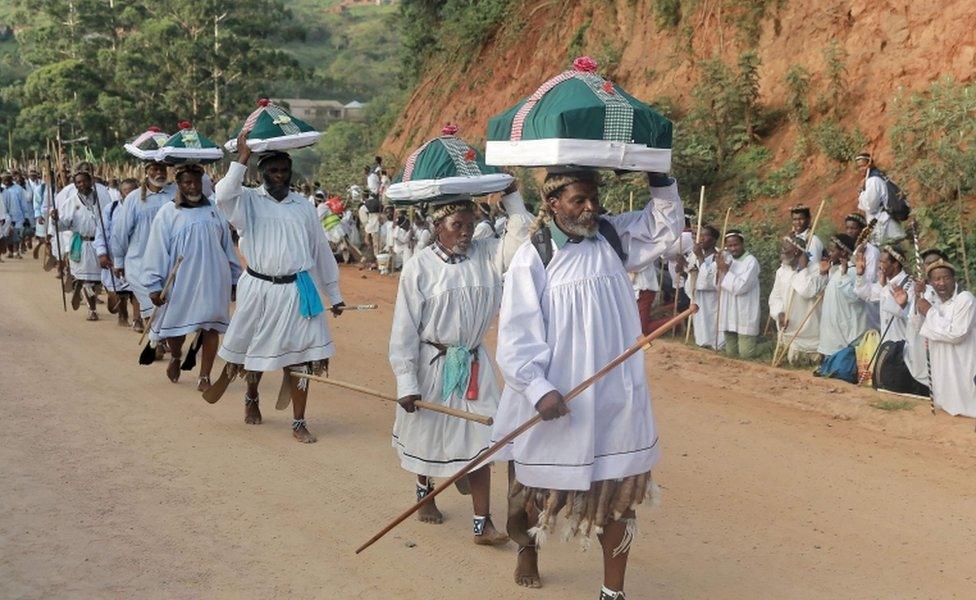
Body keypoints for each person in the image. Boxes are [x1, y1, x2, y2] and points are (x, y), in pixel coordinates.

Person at [492, 170, 682, 596]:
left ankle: (612, 591)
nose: (590, 208)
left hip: (616, 394)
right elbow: (517, 335)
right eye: (579, 200)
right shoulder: (533, 256)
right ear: (553, 204)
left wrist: (660, 179)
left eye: (593, 198)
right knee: (536, 490)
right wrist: (537, 389)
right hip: (559, 398)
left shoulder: (612, 237)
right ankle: (528, 547)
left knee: (618, 494)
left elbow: (665, 228)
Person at [389, 180, 528, 546]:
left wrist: (512, 196)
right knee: (429, 434)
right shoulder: (418, 268)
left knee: (483, 440)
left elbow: (522, 236)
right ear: (438, 226)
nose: (466, 232)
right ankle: (425, 493)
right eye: (457, 226)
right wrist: (407, 382)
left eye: (470, 224)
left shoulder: (489, 254)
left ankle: (482, 523)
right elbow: (404, 329)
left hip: (474, 363)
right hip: (432, 365)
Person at [213, 129, 346, 443]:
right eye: (273, 170)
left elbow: (320, 251)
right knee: (254, 352)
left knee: (303, 358)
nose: (279, 175)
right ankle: (252, 395)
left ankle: (299, 421)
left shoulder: (304, 206)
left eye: (284, 170)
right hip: (258, 289)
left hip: (299, 292)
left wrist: (334, 294)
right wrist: (242, 158)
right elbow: (222, 194)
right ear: (261, 172)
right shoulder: (246, 201)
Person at [143, 164, 241, 390]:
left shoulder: (215, 210)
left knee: (211, 326)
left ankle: (204, 376)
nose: (193, 186)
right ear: (178, 184)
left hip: (214, 279)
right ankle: (177, 355)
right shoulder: (168, 213)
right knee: (176, 327)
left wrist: (235, 279)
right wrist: (154, 285)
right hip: (181, 280)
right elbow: (156, 250)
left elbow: (227, 247)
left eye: (197, 182)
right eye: (187, 182)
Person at [111, 161, 175, 334]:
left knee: (169, 308)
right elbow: (121, 231)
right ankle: (157, 339)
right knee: (150, 304)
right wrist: (118, 260)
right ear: (147, 171)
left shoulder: (175, 193)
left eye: (162, 168)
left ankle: (160, 340)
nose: (159, 172)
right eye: (155, 169)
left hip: (169, 262)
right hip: (139, 263)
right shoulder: (133, 198)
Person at [855, 244, 928, 393]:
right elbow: (865, 294)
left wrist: (895, 298)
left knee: (900, 387)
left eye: (883, 262)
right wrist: (860, 274)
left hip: (903, 347)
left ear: (895, 264)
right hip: (888, 346)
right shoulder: (886, 285)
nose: (879, 265)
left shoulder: (909, 285)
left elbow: (909, 315)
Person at [915, 259, 976, 417]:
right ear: (930, 283)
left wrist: (929, 312)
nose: (942, 283)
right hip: (941, 368)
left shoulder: (965, 299)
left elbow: (957, 334)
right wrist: (917, 298)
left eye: (946, 278)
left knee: (967, 405)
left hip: (963, 366)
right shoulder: (932, 301)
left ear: (954, 279)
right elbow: (918, 327)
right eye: (937, 279)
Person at [50, 170, 112, 321]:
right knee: (88, 279)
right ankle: (92, 309)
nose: (82, 184)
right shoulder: (71, 202)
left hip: (101, 244)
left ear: (91, 181)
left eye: (84, 181)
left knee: (100, 279)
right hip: (82, 244)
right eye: (78, 182)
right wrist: (55, 219)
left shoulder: (103, 198)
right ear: (75, 185)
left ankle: (81, 286)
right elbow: (62, 226)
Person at [93, 177, 139, 327]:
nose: (129, 194)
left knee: (137, 289)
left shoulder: (143, 208)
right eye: (126, 191)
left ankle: (137, 319)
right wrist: (102, 253)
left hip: (137, 256)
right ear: (120, 193)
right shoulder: (111, 209)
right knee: (119, 291)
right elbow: (101, 232)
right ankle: (122, 314)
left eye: (132, 191)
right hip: (114, 256)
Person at [817, 234, 868, 357]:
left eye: (833, 250)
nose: (829, 254)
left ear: (844, 252)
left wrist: (844, 276)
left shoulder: (854, 272)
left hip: (846, 336)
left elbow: (856, 298)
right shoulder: (837, 271)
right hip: (833, 334)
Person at [717, 229, 762, 359]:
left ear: (742, 244)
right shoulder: (726, 260)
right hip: (728, 311)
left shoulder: (751, 262)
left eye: (736, 245)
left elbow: (741, 288)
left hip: (744, 311)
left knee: (746, 354)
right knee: (730, 353)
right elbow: (718, 285)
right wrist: (718, 268)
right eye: (730, 246)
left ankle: (770, 345)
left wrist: (726, 271)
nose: (733, 248)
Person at [685, 225, 724, 349]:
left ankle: (714, 344)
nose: (701, 238)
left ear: (714, 240)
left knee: (711, 320)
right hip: (698, 297)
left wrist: (700, 257)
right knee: (700, 320)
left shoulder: (718, 257)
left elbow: (707, 282)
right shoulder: (695, 255)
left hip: (712, 298)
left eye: (705, 235)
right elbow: (691, 273)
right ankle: (701, 342)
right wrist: (684, 266)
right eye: (700, 235)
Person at [855, 153, 905, 244]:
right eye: (859, 167)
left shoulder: (873, 180)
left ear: (870, 164)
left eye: (863, 165)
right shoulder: (880, 175)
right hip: (888, 224)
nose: (861, 169)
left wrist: (861, 192)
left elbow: (871, 207)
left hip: (884, 226)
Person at [845, 212, 880, 328]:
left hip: (867, 303)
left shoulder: (872, 252)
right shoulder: (850, 250)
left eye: (853, 228)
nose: (849, 231)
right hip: (851, 301)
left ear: (862, 230)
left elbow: (870, 279)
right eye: (847, 228)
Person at [1, 172, 31, 258]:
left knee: (16, 235)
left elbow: (23, 203)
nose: (5, 181)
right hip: (5, 217)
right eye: (4, 180)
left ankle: (16, 252)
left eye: (7, 179)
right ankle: (10, 252)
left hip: (17, 216)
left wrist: (26, 216)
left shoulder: (18, 189)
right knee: (7, 234)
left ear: (11, 179)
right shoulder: (2, 189)